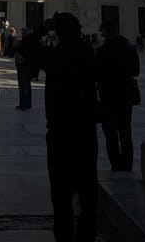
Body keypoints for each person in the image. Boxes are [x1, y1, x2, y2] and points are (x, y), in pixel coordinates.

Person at [36, 13, 100, 242]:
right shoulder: (88, 53)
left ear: (58, 31)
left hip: (60, 133)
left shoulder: (55, 56)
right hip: (85, 132)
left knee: (61, 197)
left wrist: (44, 29)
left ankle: (63, 238)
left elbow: (29, 48)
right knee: (87, 195)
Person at [97, 20, 140, 172]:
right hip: (126, 95)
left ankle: (115, 163)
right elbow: (136, 72)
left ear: (108, 32)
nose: (102, 35)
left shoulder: (103, 50)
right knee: (125, 132)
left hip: (108, 95)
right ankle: (127, 164)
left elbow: (98, 74)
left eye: (103, 32)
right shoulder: (130, 47)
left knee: (110, 132)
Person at [14, 28, 38, 110]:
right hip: (20, 65)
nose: (22, 33)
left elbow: (31, 55)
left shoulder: (29, 42)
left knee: (26, 85)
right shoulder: (23, 41)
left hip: (25, 66)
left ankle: (27, 104)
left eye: (24, 32)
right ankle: (22, 103)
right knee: (21, 85)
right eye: (22, 32)